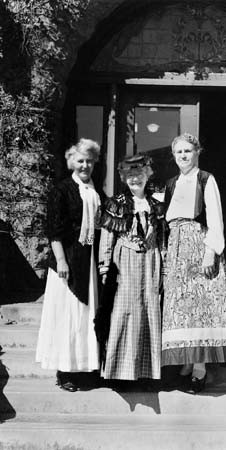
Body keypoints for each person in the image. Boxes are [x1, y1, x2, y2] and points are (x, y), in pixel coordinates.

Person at [162, 133, 226, 393]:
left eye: (188, 151)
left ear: (197, 152)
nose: (183, 156)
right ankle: (185, 363)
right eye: (178, 152)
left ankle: (199, 369)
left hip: (199, 245)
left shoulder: (206, 179)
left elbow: (215, 218)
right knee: (182, 309)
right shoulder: (171, 183)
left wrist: (211, 252)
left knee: (202, 308)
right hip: (176, 248)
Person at [36, 138, 106, 392]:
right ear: (71, 162)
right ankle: (64, 371)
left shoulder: (96, 191)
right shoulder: (62, 190)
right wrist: (62, 260)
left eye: (89, 161)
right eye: (80, 160)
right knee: (68, 315)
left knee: (87, 316)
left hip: (89, 260)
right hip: (68, 259)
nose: (85, 165)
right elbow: (54, 229)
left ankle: (85, 369)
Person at [97, 154, 166, 383]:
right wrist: (105, 267)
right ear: (124, 178)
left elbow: (163, 238)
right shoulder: (116, 203)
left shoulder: (156, 205)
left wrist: (164, 265)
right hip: (125, 262)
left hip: (151, 261)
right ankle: (121, 372)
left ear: (147, 176)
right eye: (130, 175)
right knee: (125, 311)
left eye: (139, 175)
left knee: (149, 308)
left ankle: (147, 372)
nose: (135, 179)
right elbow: (107, 238)